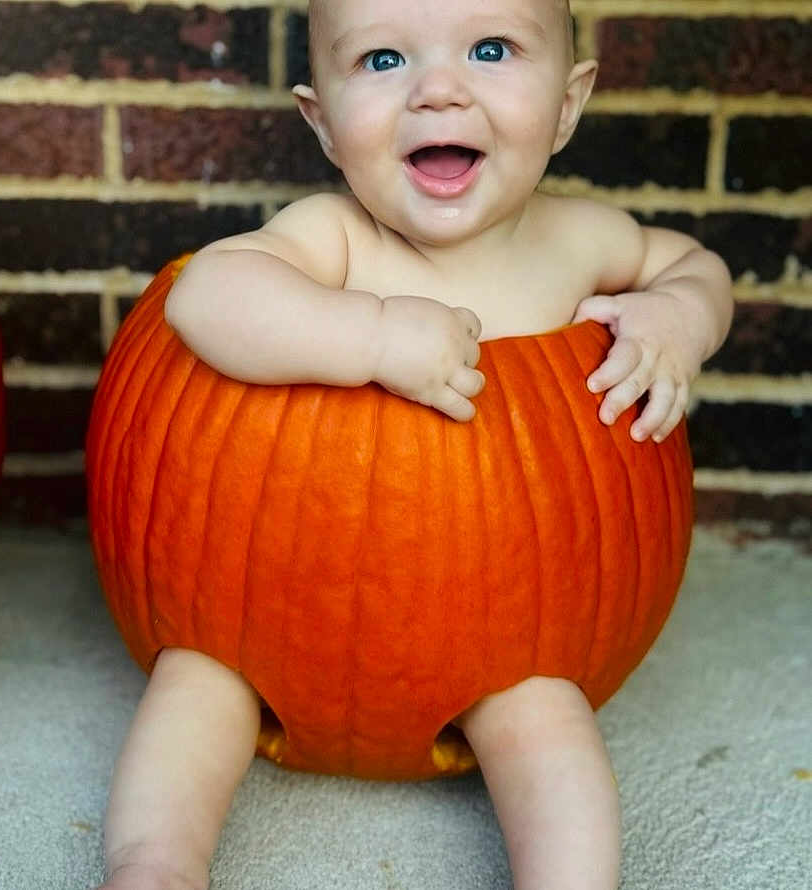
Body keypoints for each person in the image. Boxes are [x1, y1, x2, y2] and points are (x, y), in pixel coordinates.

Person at [93, 0, 733, 888]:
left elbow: (695, 263)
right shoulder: (333, 239)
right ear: (322, 122)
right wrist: (370, 339)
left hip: (511, 619)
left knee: (547, 711)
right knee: (198, 684)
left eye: (491, 48)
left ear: (568, 103)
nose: (438, 91)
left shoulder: (581, 239)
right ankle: (153, 864)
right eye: (384, 60)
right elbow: (204, 299)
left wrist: (681, 315)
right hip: (275, 605)